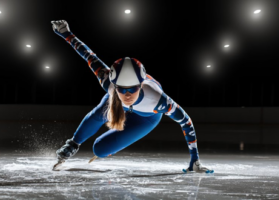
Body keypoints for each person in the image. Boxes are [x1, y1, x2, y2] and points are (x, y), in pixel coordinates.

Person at [51, 20, 213, 173]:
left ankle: (97, 146)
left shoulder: (157, 100)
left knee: (99, 149)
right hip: (119, 104)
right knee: (103, 109)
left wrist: (195, 160)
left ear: (141, 84)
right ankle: (73, 143)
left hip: (146, 117)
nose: (127, 95)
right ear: (115, 84)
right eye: (122, 89)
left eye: (133, 89)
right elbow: (88, 55)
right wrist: (66, 33)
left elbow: (186, 122)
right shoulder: (109, 83)